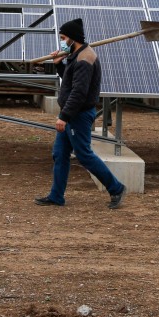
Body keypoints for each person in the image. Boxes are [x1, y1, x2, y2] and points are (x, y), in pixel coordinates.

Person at [35, 18, 127, 209]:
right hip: (71, 113)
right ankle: (56, 196)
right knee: (60, 154)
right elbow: (70, 82)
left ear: (72, 38)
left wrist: (64, 116)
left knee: (84, 155)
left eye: (62, 38)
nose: (61, 42)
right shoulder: (76, 55)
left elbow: (79, 92)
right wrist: (59, 64)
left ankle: (116, 188)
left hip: (78, 115)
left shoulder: (85, 59)